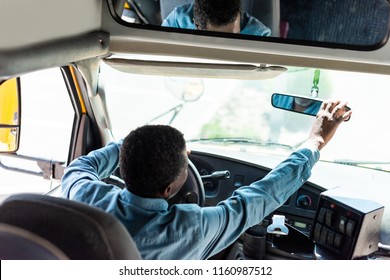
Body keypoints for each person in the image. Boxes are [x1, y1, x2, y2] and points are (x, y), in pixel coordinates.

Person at [61, 100, 352, 259]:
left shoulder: (83, 195)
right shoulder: (191, 228)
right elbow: (261, 197)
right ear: (170, 189)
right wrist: (315, 141)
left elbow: (80, 165)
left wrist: (140, 144)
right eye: (184, 167)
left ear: (122, 167)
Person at [161, 0, 271, 36]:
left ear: (240, 17)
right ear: (197, 26)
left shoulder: (259, 34)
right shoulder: (177, 22)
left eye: (233, 36)